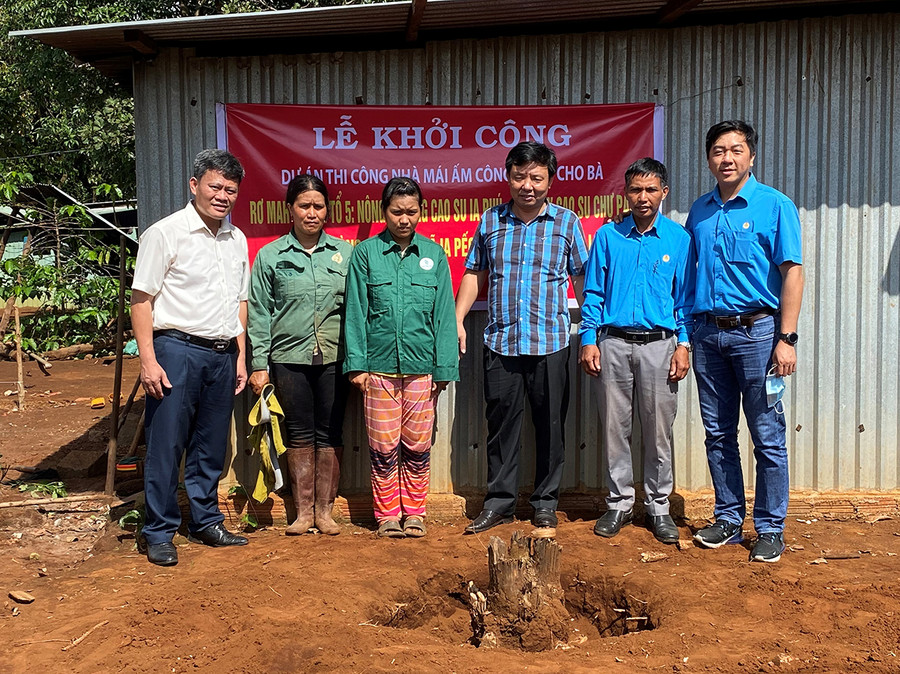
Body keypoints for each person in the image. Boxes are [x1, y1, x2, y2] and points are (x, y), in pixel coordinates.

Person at [456, 141, 589, 534]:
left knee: (551, 428)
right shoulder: (491, 220)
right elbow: (474, 272)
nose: (527, 185)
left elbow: (581, 279)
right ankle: (499, 503)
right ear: (508, 177)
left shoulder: (567, 223)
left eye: (536, 177)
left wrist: (593, 330)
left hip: (551, 343)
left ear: (550, 180)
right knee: (501, 428)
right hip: (502, 343)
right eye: (519, 176)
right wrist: (458, 318)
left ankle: (545, 503)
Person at [688, 120, 804, 563]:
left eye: (736, 150)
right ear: (709, 158)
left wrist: (786, 338)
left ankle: (770, 528)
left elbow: (792, 272)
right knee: (718, 434)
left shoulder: (775, 206)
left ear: (751, 157)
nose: (727, 158)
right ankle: (729, 519)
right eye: (718, 151)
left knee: (767, 435)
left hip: (758, 333)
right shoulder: (699, 210)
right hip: (708, 334)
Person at [131, 149, 250, 566]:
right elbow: (141, 300)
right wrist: (148, 360)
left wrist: (240, 355)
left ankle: (205, 522)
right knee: (166, 445)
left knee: (210, 445)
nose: (223, 196)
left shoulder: (237, 239)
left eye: (230, 190)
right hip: (176, 350)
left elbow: (240, 301)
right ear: (194, 185)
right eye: (215, 186)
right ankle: (159, 531)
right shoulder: (164, 234)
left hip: (221, 355)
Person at [579, 157, 694, 544]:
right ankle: (620, 504)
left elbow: (685, 300)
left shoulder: (679, 240)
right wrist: (589, 338)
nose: (642, 197)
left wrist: (683, 344)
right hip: (612, 344)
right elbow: (592, 292)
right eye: (635, 190)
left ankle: (659, 507)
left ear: (664, 192)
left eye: (650, 189)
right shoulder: (609, 237)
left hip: (660, 347)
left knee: (658, 431)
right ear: (625, 193)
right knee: (615, 428)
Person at [344, 177, 458, 538]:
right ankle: (388, 515)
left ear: (421, 212)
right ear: (384, 212)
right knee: (382, 446)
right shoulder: (366, 254)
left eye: (411, 212)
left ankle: (415, 513)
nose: (404, 219)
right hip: (378, 369)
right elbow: (355, 312)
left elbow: (443, 316)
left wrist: (444, 369)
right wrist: (357, 366)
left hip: (422, 369)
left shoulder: (433, 254)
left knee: (418, 446)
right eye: (396, 212)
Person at [247, 174, 352, 536]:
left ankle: (325, 512)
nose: (312, 213)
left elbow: (357, 310)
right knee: (298, 433)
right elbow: (259, 313)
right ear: (290, 209)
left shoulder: (345, 254)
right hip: (288, 358)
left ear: (327, 210)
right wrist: (259, 364)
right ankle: (303, 513)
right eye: (304, 205)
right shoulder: (270, 256)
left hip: (335, 358)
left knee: (330, 432)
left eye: (318, 206)